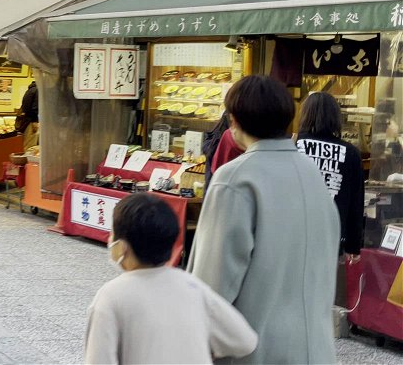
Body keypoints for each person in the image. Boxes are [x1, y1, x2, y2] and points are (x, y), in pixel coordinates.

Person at [189, 76, 339, 364]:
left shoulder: (235, 179)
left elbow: (212, 283)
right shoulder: (312, 175)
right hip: (316, 349)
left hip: (255, 350)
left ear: (233, 120)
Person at [85, 193, 257, 364]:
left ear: (122, 247)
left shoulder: (111, 296)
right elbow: (244, 341)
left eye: (112, 234)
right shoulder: (192, 285)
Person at [296, 91, 365, 307]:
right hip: (330, 236)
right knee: (320, 294)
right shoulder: (351, 153)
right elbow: (356, 203)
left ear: (305, 114)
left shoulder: (294, 145)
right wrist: (354, 245)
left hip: (294, 232)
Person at [20, 81, 39, 151]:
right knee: (31, 147)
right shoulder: (37, 90)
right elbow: (35, 107)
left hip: (26, 121)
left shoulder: (29, 90)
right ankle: (29, 161)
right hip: (31, 121)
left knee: (27, 144)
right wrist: (35, 121)